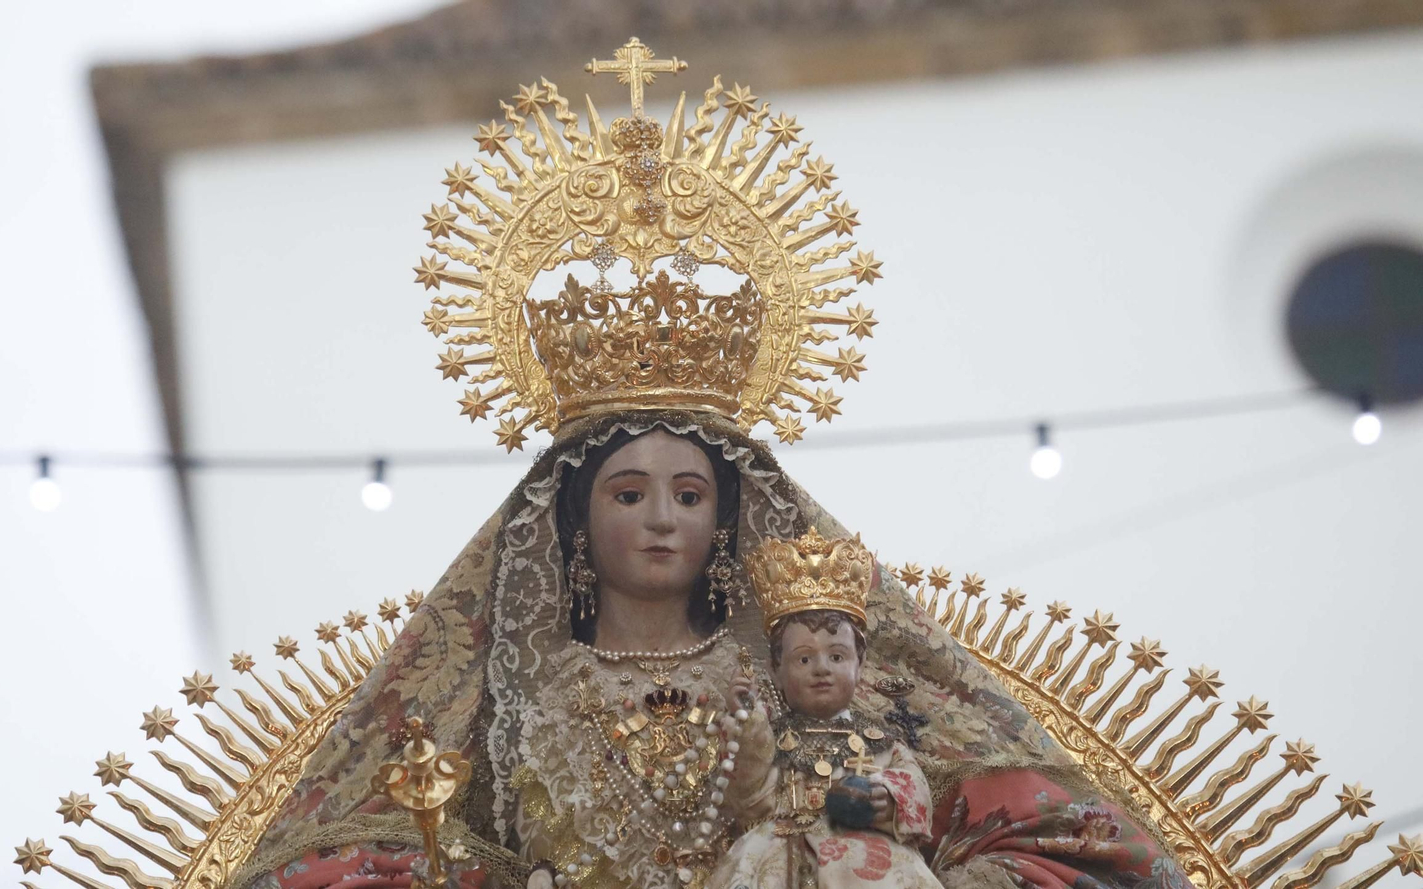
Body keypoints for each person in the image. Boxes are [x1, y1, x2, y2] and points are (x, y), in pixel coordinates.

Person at [229, 39, 1188, 889]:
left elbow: (1019, 829)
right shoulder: (515, 699)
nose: (661, 518)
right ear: (575, 521)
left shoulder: (801, 672)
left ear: (724, 518)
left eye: (689, 494)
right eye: (628, 492)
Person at [708, 529, 941, 889]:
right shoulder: (770, 739)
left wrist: (885, 798)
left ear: (860, 665)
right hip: (776, 858)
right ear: (776, 670)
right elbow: (748, 798)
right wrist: (747, 719)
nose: (821, 669)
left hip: (868, 862)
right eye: (803, 659)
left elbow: (916, 787)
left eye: (836, 657)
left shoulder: (881, 743)